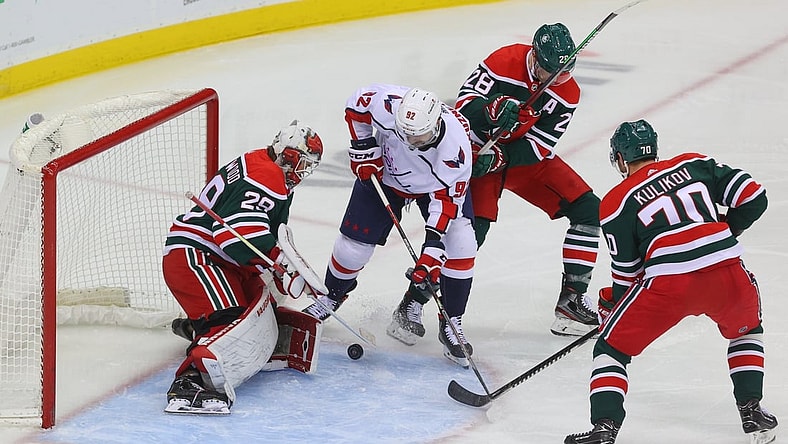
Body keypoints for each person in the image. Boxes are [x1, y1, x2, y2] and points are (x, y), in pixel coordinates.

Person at [565, 120, 777, 444]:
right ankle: (752, 410)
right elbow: (754, 197)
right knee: (746, 332)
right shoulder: (694, 164)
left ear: (621, 159)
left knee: (611, 349)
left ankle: (604, 429)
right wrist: (721, 234)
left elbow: (627, 275)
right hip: (727, 273)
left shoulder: (616, 201)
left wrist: (612, 306)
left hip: (669, 285)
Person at [301, 83, 477, 367]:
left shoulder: (455, 152)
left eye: (417, 138)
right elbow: (356, 104)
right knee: (352, 248)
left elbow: (445, 203)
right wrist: (363, 146)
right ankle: (331, 297)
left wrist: (432, 248)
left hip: (434, 190)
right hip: (384, 175)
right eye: (404, 134)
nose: (408, 143)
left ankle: (452, 321)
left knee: (461, 242)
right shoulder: (388, 104)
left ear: (435, 126)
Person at [162, 120, 325, 414]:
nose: (303, 172)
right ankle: (190, 382)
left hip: (223, 261)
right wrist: (280, 263)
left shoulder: (263, 163)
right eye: (302, 163)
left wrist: (279, 267)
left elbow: (259, 234)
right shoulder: (267, 176)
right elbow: (234, 239)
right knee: (232, 322)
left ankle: (198, 326)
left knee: (259, 309)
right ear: (288, 155)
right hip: (197, 257)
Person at [455, 23, 601, 336]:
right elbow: (464, 106)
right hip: (480, 153)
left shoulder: (568, 91)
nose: (558, 81)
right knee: (472, 231)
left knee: (588, 208)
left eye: (564, 72)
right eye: (552, 72)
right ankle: (417, 297)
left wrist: (503, 157)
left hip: (518, 160)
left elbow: (540, 145)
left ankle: (572, 300)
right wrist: (492, 111)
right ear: (534, 58)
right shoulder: (503, 61)